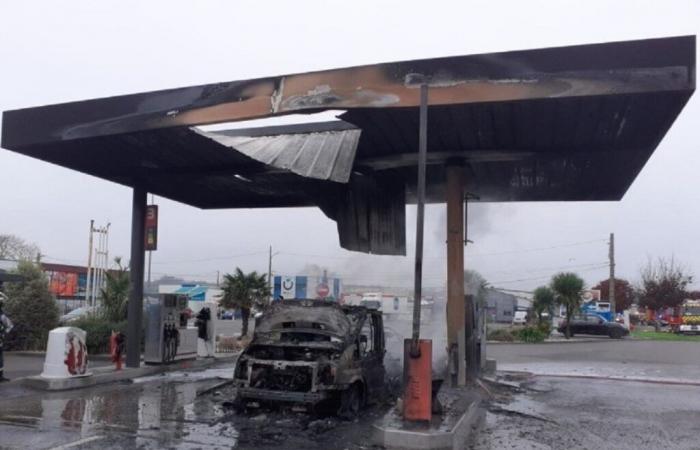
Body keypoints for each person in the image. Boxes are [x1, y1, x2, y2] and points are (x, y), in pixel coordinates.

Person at [0, 300, 14, 382]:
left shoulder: (1, 315)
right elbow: (10, 326)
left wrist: (3, 334)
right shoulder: (1, 315)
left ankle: (0, 376)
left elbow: (10, 326)